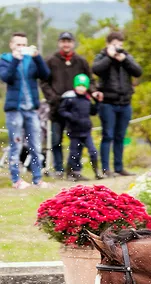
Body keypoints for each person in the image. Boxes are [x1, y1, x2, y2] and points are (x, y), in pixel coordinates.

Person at [41, 31, 100, 179]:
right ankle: (59, 169)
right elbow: (43, 82)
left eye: (68, 41)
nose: (66, 44)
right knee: (56, 140)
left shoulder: (80, 61)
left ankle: (74, 170)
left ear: (73, 43)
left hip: (77, 109)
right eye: (63, 41)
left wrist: (93, 92)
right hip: (57, 108)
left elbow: (90, 80)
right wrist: (54, 98)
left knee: (77, 141)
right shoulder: (50, 61)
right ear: (59, 43)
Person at [0, 32, 51, 189]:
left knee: (35, 144)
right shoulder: (5, 60)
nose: (21, 48)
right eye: (18, 45)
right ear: (12, 45)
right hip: (14, 109)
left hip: (31, 109)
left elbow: (45, 75)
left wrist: (37, 57)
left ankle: (38, 179)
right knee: (16, 144)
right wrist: (15, 60)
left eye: (24, 45)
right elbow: (5, 77)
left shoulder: (31, 60)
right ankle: (16, 180)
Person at [92, 31, 142, 177]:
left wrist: (124, 60)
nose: (118, 47)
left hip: (125, 102)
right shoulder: (102, 56)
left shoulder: (125, 56)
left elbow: (138, 72)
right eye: (115, 45)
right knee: (108, 135)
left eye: (120, 45)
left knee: (120, 136)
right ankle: (106, 168)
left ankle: (119, 167)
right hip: (108, 102)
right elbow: (96, 70)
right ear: (108, 45)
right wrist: (109, 56)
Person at [59, 74, 102, 181]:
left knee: (93, 151)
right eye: (79, 85)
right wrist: (71, 117)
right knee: (74, 153)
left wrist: (97, 102)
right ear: (75, 86)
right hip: (74, 131)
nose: (81, 88)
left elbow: (93, 111)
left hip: (86, 131)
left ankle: (97, 171)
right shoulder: (69, 98)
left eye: (83, 86)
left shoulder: (87, 99)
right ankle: (70, 173)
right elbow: (62, 111)